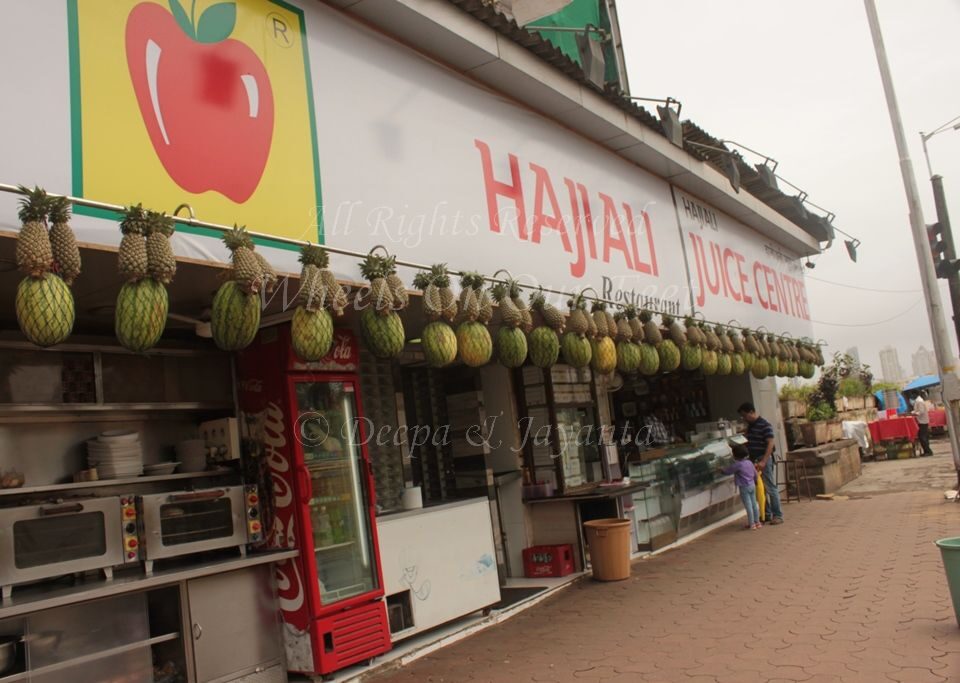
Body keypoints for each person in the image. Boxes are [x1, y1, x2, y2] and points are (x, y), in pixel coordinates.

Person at [738, 402, 783, 525]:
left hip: (763, 459)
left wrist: (764, 460)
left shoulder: (764, 425)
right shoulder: (751, 426)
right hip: (753, 460)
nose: (744, 419)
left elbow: (770, 443)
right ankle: (766, 514)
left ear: (752, 412)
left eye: (745, 416)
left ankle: (778, 515)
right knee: (760, 488)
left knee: (770, 487)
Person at [722, 444, 761, 529]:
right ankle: (757, 522)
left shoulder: (738, 465)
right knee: (754, 504)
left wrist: (720, 469)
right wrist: (755, 481)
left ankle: (752, 524)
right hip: (752, 485)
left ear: (735, 456)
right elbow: (755, 474)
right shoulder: (749, 462)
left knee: (748, 505)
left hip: (744, 487)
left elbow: (727, 471)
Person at [912, 390, 934, 456]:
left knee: (923, 437)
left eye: (913, 394)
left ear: (915, 394)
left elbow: (920, 411)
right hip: (921, 421)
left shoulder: (919, 401)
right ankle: (926, 451)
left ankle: (928, 451)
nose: (912, 396)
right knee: (923, 437)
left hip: (922, 421)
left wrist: (914, 413)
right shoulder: (918, 401)